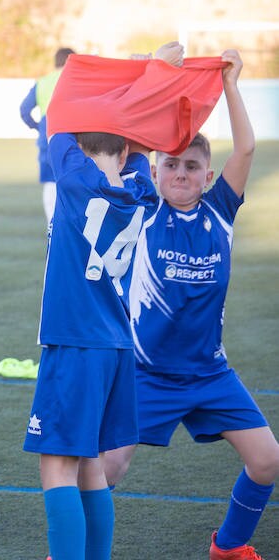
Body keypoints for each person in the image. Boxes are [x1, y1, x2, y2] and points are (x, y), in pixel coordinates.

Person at [103, 50, 278, 560]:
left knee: (267, 461)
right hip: (146, 374)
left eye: (193, 166)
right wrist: (150, 75)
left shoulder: (221, 211)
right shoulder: (143, 209)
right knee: (106, 469)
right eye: (171, 164)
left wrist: (230, 84)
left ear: (208, 175)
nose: (181, 173)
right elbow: (120, 143)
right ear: (155, 171)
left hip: (208, 374)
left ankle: (228, 547)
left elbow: (245, 147)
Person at [23, 45, 190, 560]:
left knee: (57, 466)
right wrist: (152, 73)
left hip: (75, 341)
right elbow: (138, 137)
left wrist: (139, 71)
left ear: (75, 145)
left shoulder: (73, 180)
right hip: (117, 345)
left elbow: (60, 117)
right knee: (91, 464)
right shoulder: (141, 187)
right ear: (124, 153)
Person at [19, 47, 75, 225]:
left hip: (48, 137)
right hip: (72, 138)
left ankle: (53, 229)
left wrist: (37, 128)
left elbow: (24, 110)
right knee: (73, 183)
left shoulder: (42, 82)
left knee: (51, 185)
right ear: (70, 61)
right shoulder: (74, 80)